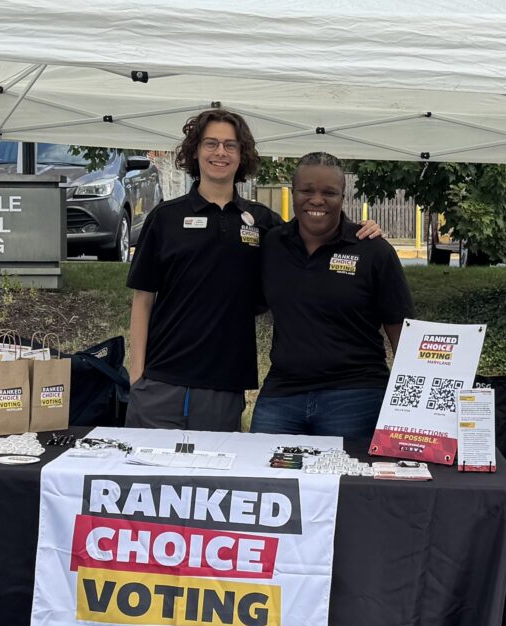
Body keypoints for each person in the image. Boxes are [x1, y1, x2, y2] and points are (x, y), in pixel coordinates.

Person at [125, 109, 381, 431]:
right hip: (160, 382)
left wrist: (362, 233)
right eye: (211, 144)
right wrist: (137, 377)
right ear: (195, 151)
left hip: (225, 384)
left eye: (231, 145)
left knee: (210, 479)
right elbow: (143, 300)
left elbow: (319, 232)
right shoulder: (165, 218)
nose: (221, 152)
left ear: (242, 154)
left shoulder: (265, 223)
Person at [251, 152, 414, 439]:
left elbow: (402, 332)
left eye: (329, 192)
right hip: (282, 395)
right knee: (264, 479)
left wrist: (410, 409)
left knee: (347, 484)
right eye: (306, 190)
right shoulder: (272, 243)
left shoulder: (373, 250)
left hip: (356, 396)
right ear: (293, 192)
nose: (317, 200)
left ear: (343, 196)